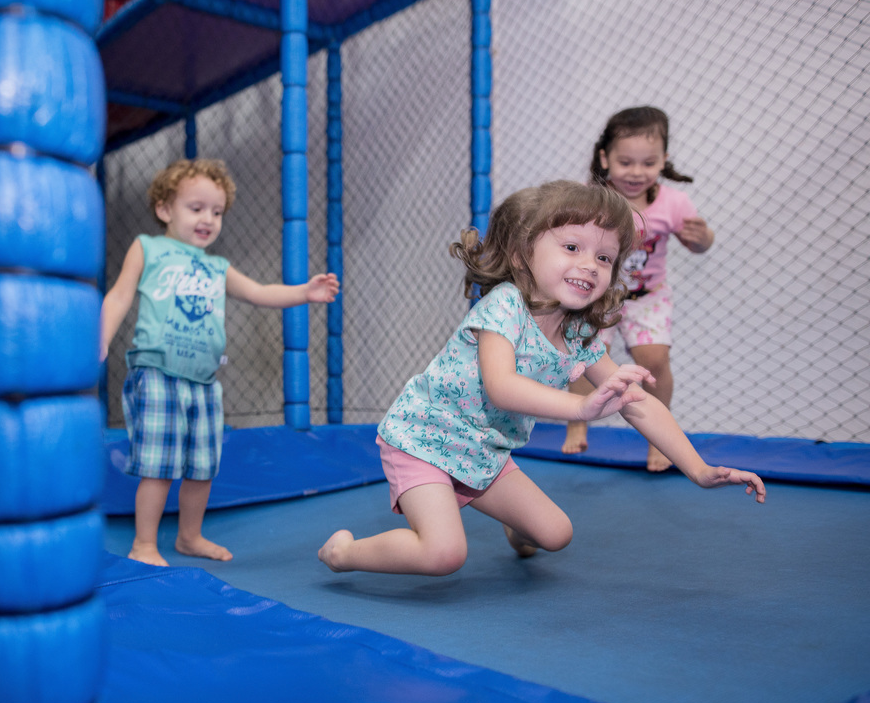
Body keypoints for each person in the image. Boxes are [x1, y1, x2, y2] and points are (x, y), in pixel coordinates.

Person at [318, 181, 762, 577]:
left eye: (604, 257)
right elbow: (502, 386)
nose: (590, 264)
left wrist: (698, 469)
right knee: (443, 554)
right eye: (572, 248)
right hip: (424, 439)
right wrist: (580, 407)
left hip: (483, 450)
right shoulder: (504, 305)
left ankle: (517, 526)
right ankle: (345, 553)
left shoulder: (579, 333)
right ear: (521, 254)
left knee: (555, 534)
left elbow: (638, 401)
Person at [101, 158, 340, 567]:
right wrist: (100, 338)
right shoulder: (149, 248)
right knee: (157, 465)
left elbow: (261, 292)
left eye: (216, 212)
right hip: (157, 372)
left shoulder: (217, 267)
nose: (208, 219)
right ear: (164, 209)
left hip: (204, 381)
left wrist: (304, 292)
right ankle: (143, 544)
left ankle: (189, 537)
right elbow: (120, 295)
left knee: (201, 466)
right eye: (196, 208)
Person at [562, 106, 715, 471]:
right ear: (605, 158)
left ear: (663, 160)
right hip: (597, 293)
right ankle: (576, 420)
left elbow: (697, 244)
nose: (636, 172)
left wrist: (703, 239)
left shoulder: (673, 203)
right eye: (625, 162)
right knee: (585, 361)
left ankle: (660, 438)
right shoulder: (592, 198)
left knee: (655, 363)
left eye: (648, 163)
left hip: (647, 297)